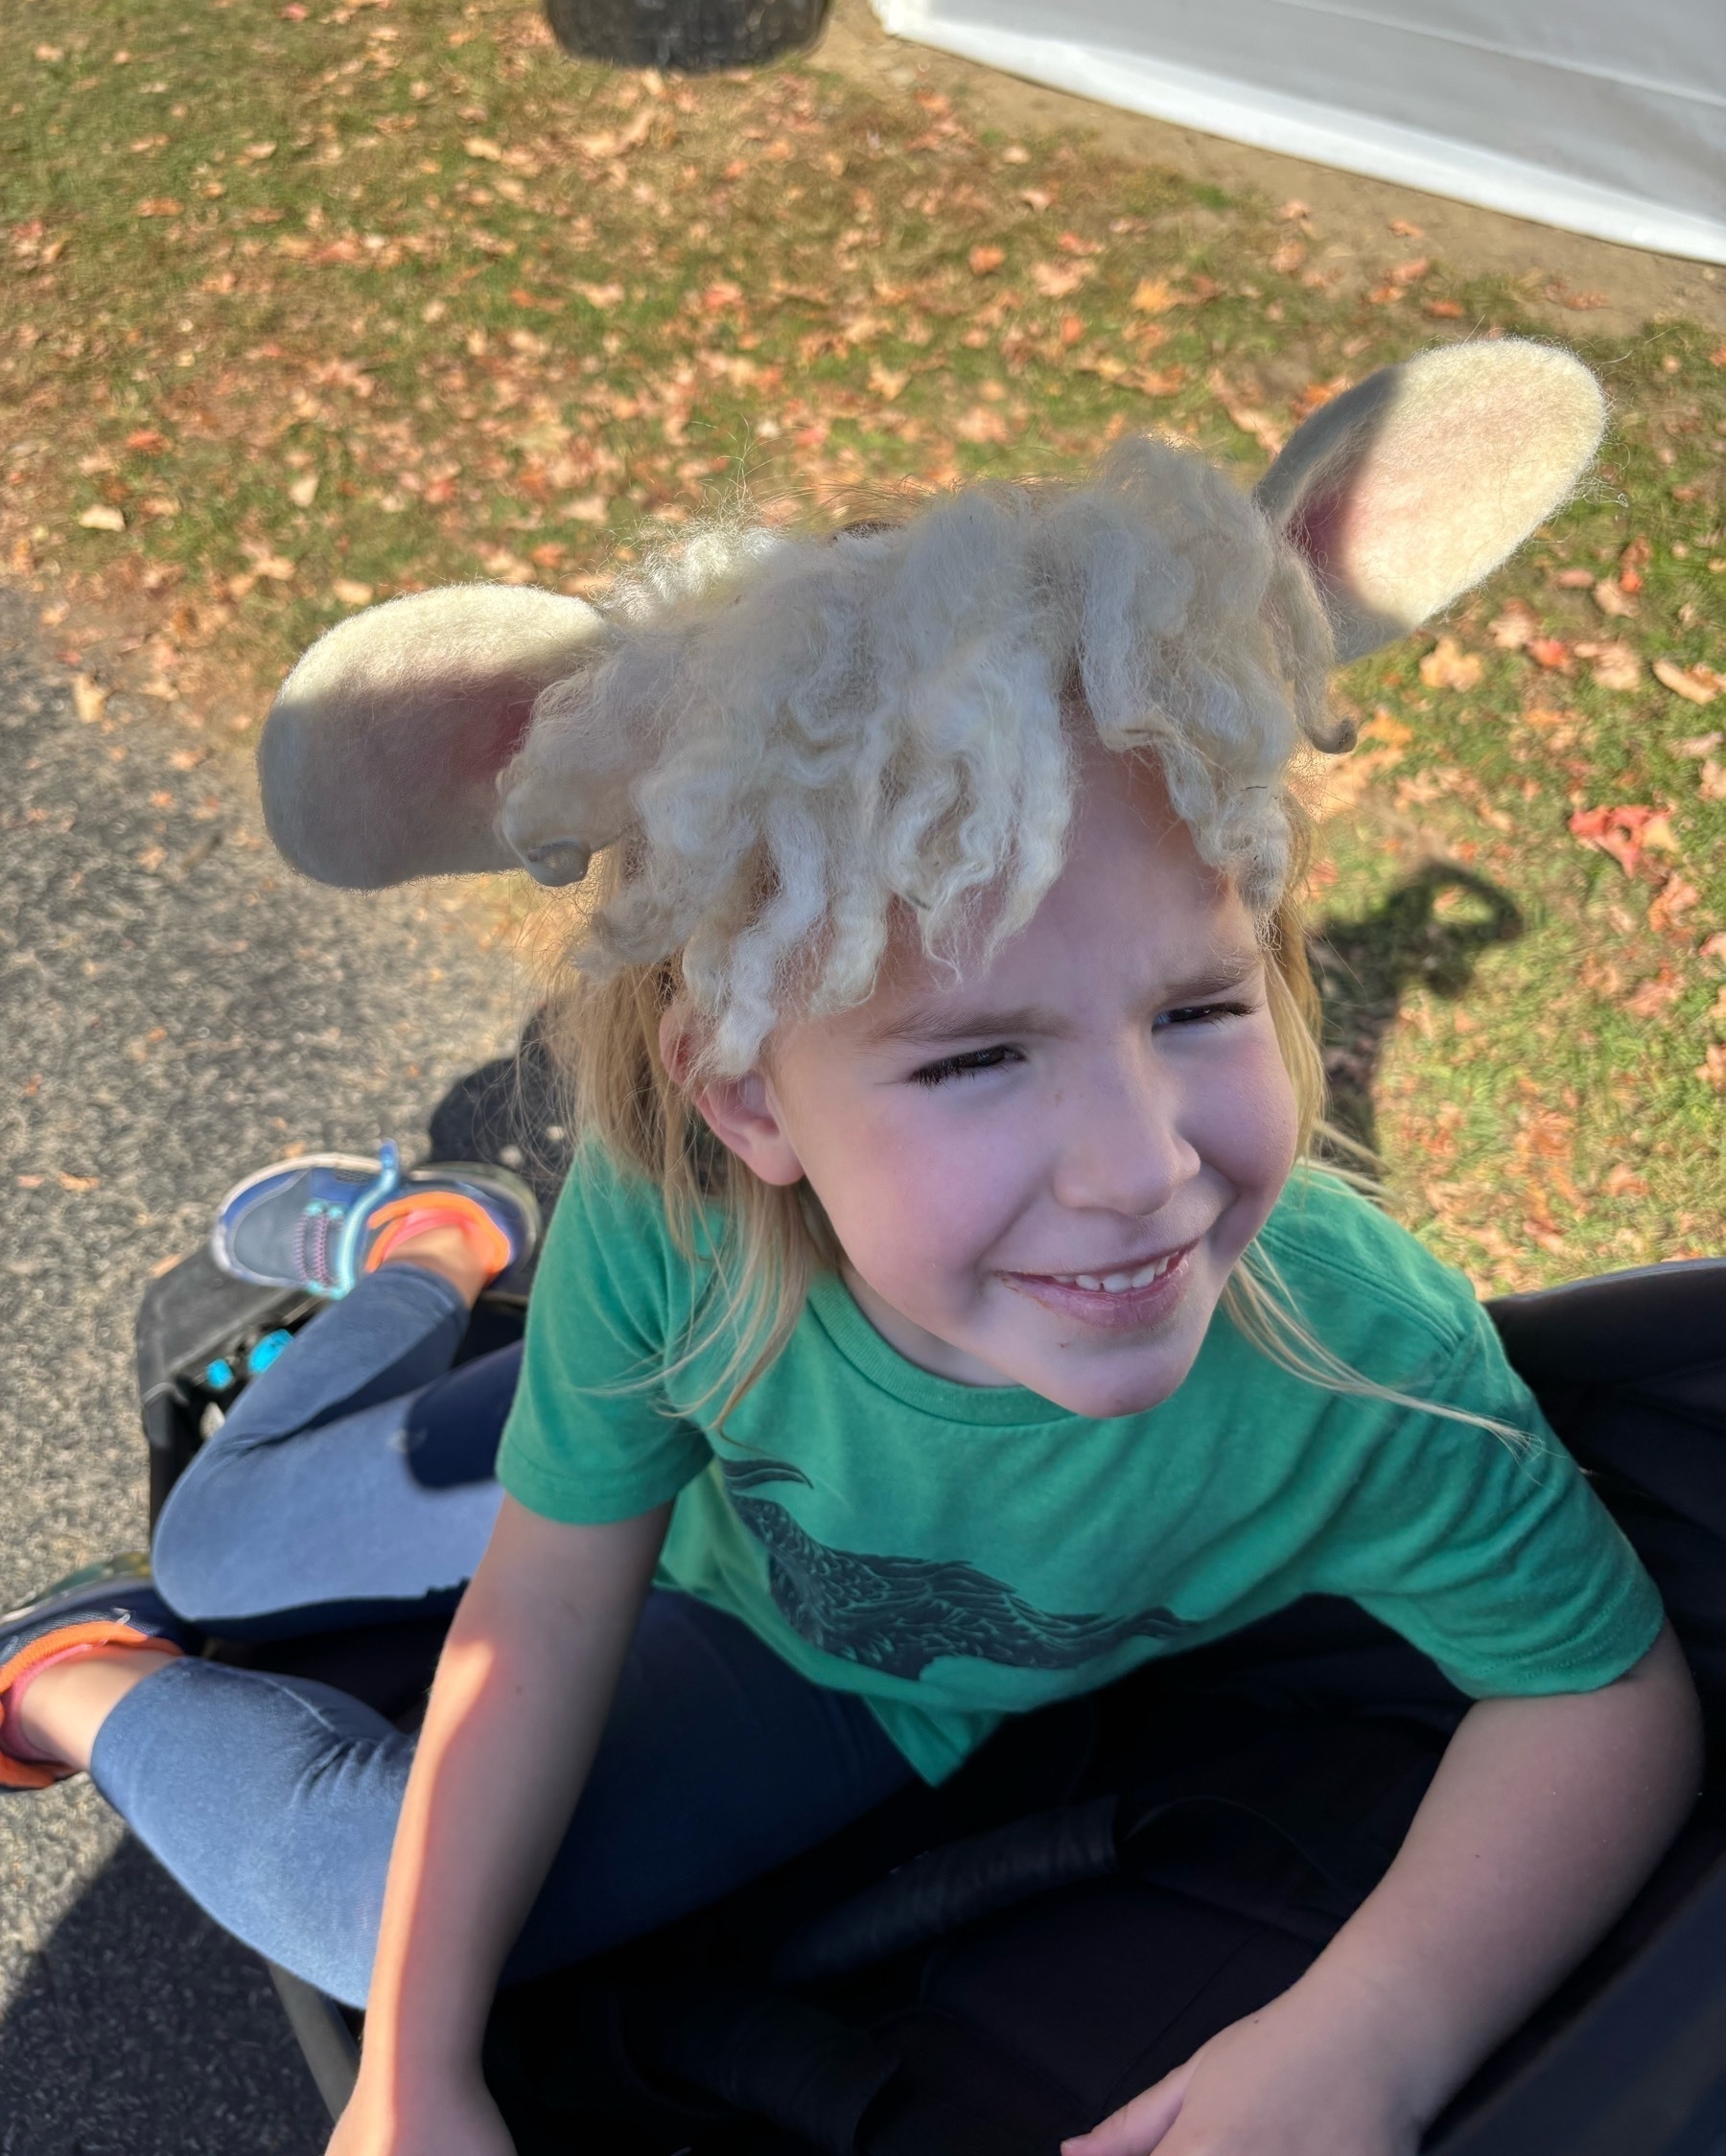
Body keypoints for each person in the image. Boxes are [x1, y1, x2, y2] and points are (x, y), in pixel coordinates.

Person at [0, 340, 1703, 2156]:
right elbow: (552, 1595)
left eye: (1199, 1006)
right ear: (745, 1101)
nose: (1143, 1171)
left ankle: (75, 1673)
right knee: (222, 1535)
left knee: (355, 1895)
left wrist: (1374, 2033)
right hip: (674, 1475)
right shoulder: (680, 1229)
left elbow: (1598, 1687)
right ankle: (423, 1253)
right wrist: (412, 2078)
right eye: (977, 1056)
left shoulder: (1346, 1353)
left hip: (838, 1678)